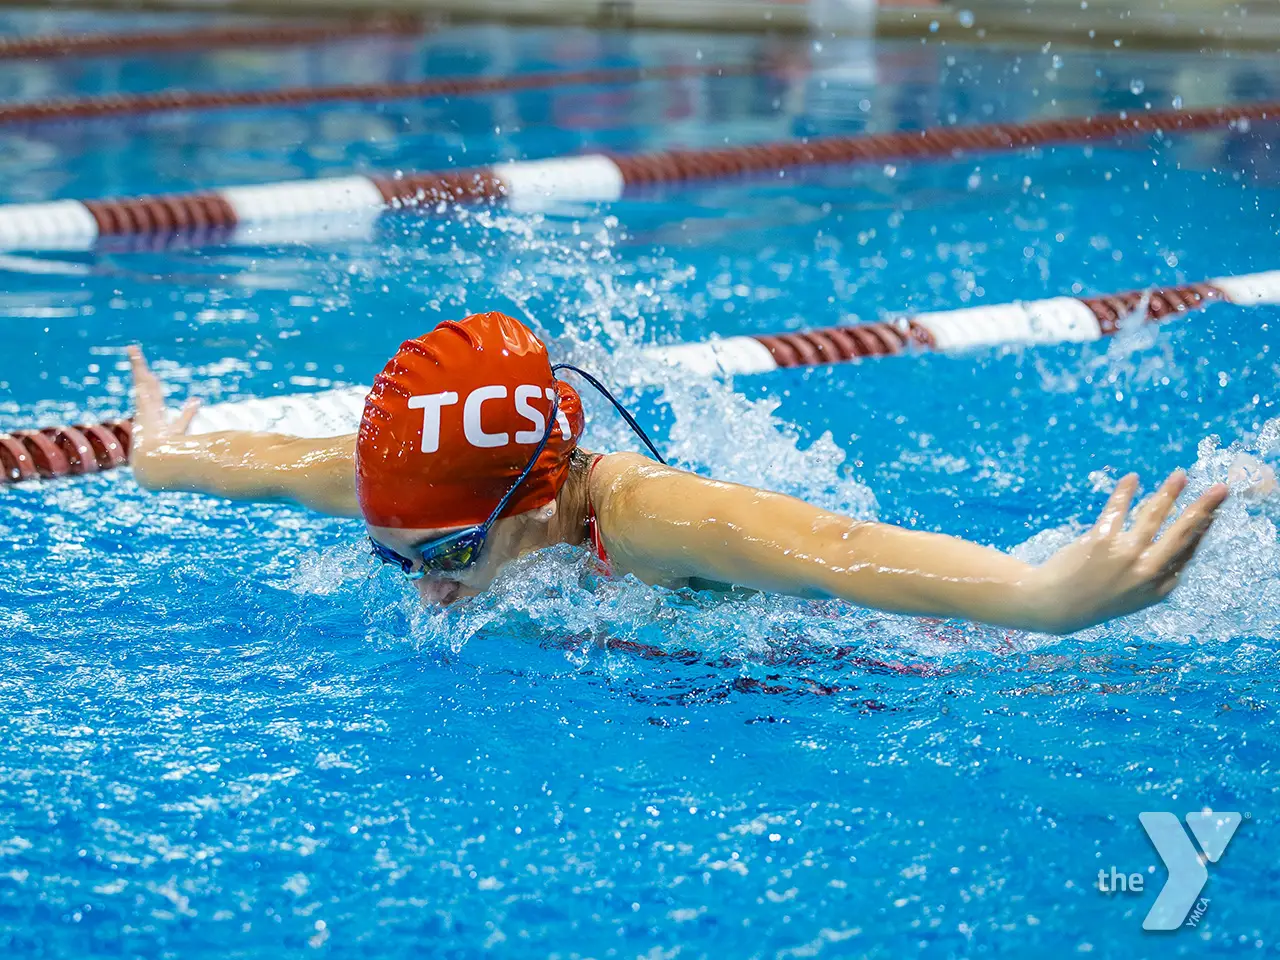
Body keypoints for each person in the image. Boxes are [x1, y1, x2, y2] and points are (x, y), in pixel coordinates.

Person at [127, 311, 1228, 633]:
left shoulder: (647, 520)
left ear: (532, 496)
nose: (426, 585)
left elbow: (838, 551)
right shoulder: (410, 489)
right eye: (393, 556)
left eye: (451, 554)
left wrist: (1042, 597)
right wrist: (161, 454)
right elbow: (260, 464)